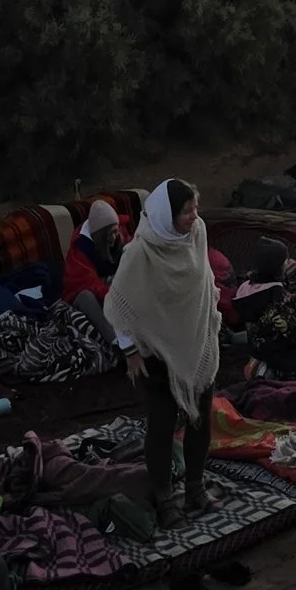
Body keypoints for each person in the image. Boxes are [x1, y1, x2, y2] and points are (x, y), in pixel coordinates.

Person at [102, 178, 222, 525]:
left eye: (194, 208)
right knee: (162, 423)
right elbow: (118, 302)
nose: (193, 216)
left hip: (196, 342)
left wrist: (211, 313)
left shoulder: (197, 232)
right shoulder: (141, 251)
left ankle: (196, 487)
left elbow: (205, 279)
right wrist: (130, 351)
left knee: (201, 417)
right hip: (155, 352)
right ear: (167, 214)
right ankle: (164, 496)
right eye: (186, 211)